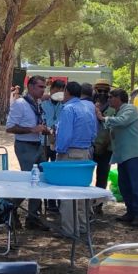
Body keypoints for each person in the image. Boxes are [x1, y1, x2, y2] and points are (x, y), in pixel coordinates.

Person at [97, 88, 138, 227]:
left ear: (118, 98)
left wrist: (103, 118)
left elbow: (122, 121)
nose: (108, 99)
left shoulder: (130, 109)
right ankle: (131, 212)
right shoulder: (118, 111)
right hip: (123, 155)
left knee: (136, 184)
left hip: (134, 154)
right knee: (124, 184)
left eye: (110, 97)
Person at [55, 81, 100, 237]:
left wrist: (59, 151)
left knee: (67, 194)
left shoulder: (69, 109)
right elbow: (94, 132)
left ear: (67, 92)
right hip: (85, 153)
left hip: (70, 153)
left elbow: (65, 135)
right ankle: (81, 226)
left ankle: (68, 230)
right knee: (81, 193)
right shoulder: (88, 108)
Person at [6, 75, 50, 230]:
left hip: (37, 144)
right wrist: (32, 129)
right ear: (30, 87)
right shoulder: (20, 104)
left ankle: (33, 217)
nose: (43, 90)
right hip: (25, 146)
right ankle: (9, 208)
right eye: (40, 86)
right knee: (29, 180)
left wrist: (43, 130)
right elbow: (10, 128)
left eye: (44, 87)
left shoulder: (37, 103)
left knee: (40, 180)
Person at [91, 80, 116, 214]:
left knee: (102, 176)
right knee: (87, 176)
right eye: (99, 91)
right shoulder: (89, 105)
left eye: (105, 91)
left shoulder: (113, 108)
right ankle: (86, 203)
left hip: (107, 148)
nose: (102, 93)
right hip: (91, 147)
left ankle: (98, 205)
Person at [41, 80, 66, 162]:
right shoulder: (42, 103)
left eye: (61, 91)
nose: (58, 93)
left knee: (56, 168)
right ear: (51, 90)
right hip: (43, 141)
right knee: (42, 167)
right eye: (56, 90)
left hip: (58, 143)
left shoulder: (65, 106)